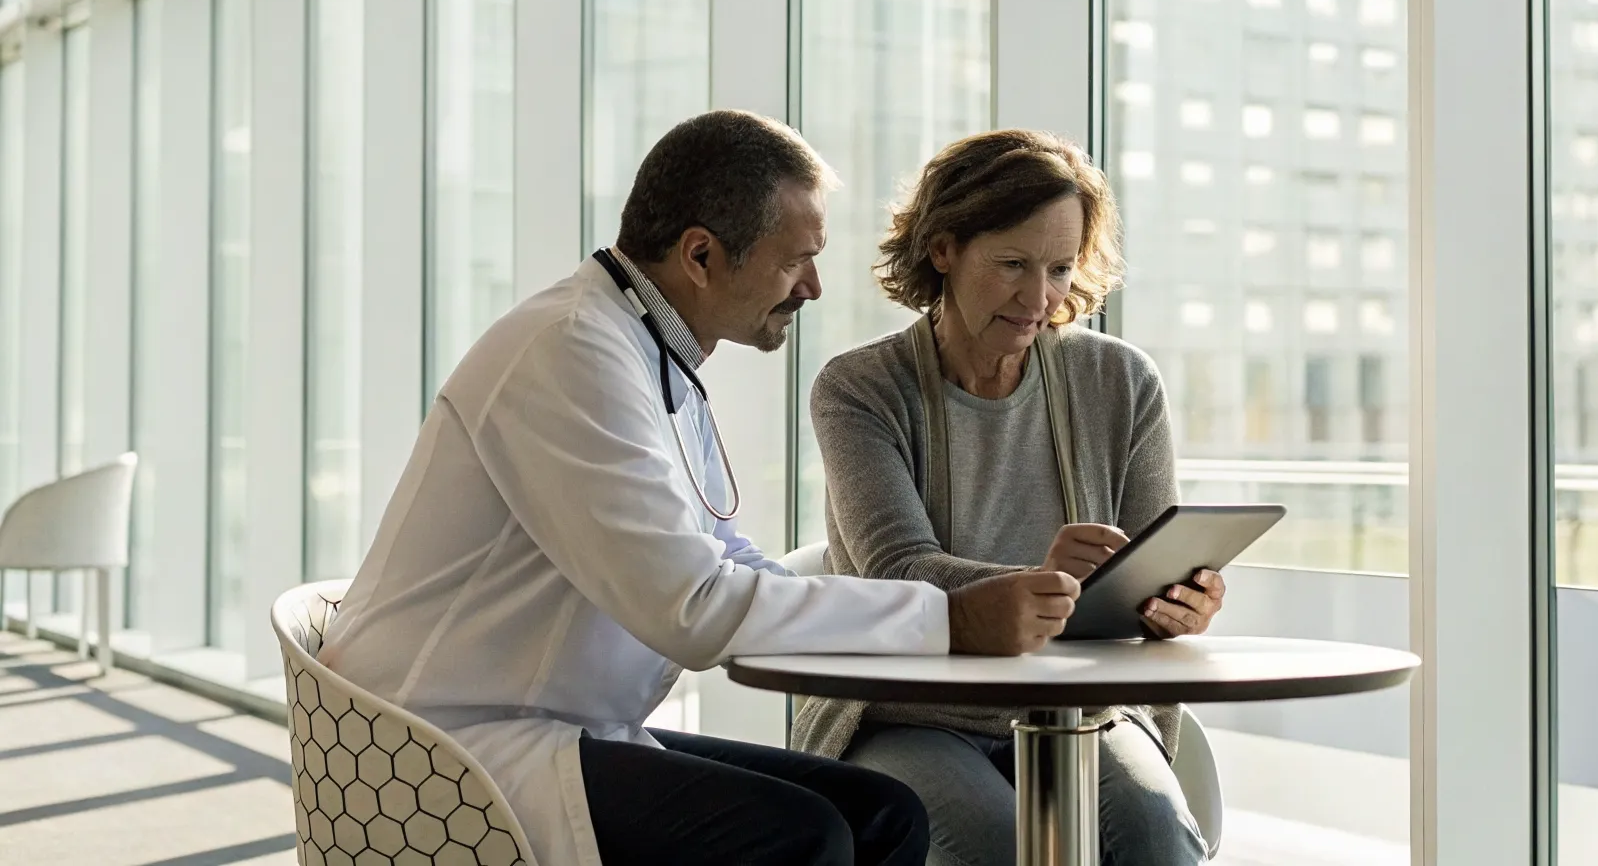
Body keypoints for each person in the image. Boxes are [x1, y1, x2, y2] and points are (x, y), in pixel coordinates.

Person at [316, 111, 1083, 866]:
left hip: (555, 724)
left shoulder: (642, 349)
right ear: (702, 255)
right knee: (806, 837)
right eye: (795, 261)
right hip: (444, 745)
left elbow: (723, 554)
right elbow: (689, 608)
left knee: (880, 816)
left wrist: (877, 611)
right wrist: (946, 619)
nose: (813, 286)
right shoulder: (572, 352)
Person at [792, 129, 1225, 865]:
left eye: (1060, 269)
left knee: (1156, 840)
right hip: (907, 713)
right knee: (996, 844)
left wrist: (1178, 600)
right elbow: (897, 573)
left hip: (1082, 708)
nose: (1040, 299)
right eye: (1013, 265)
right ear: (943, 249)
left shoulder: (1121, 384)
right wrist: (1044, 579)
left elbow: (1147, 565)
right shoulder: (859, 389)